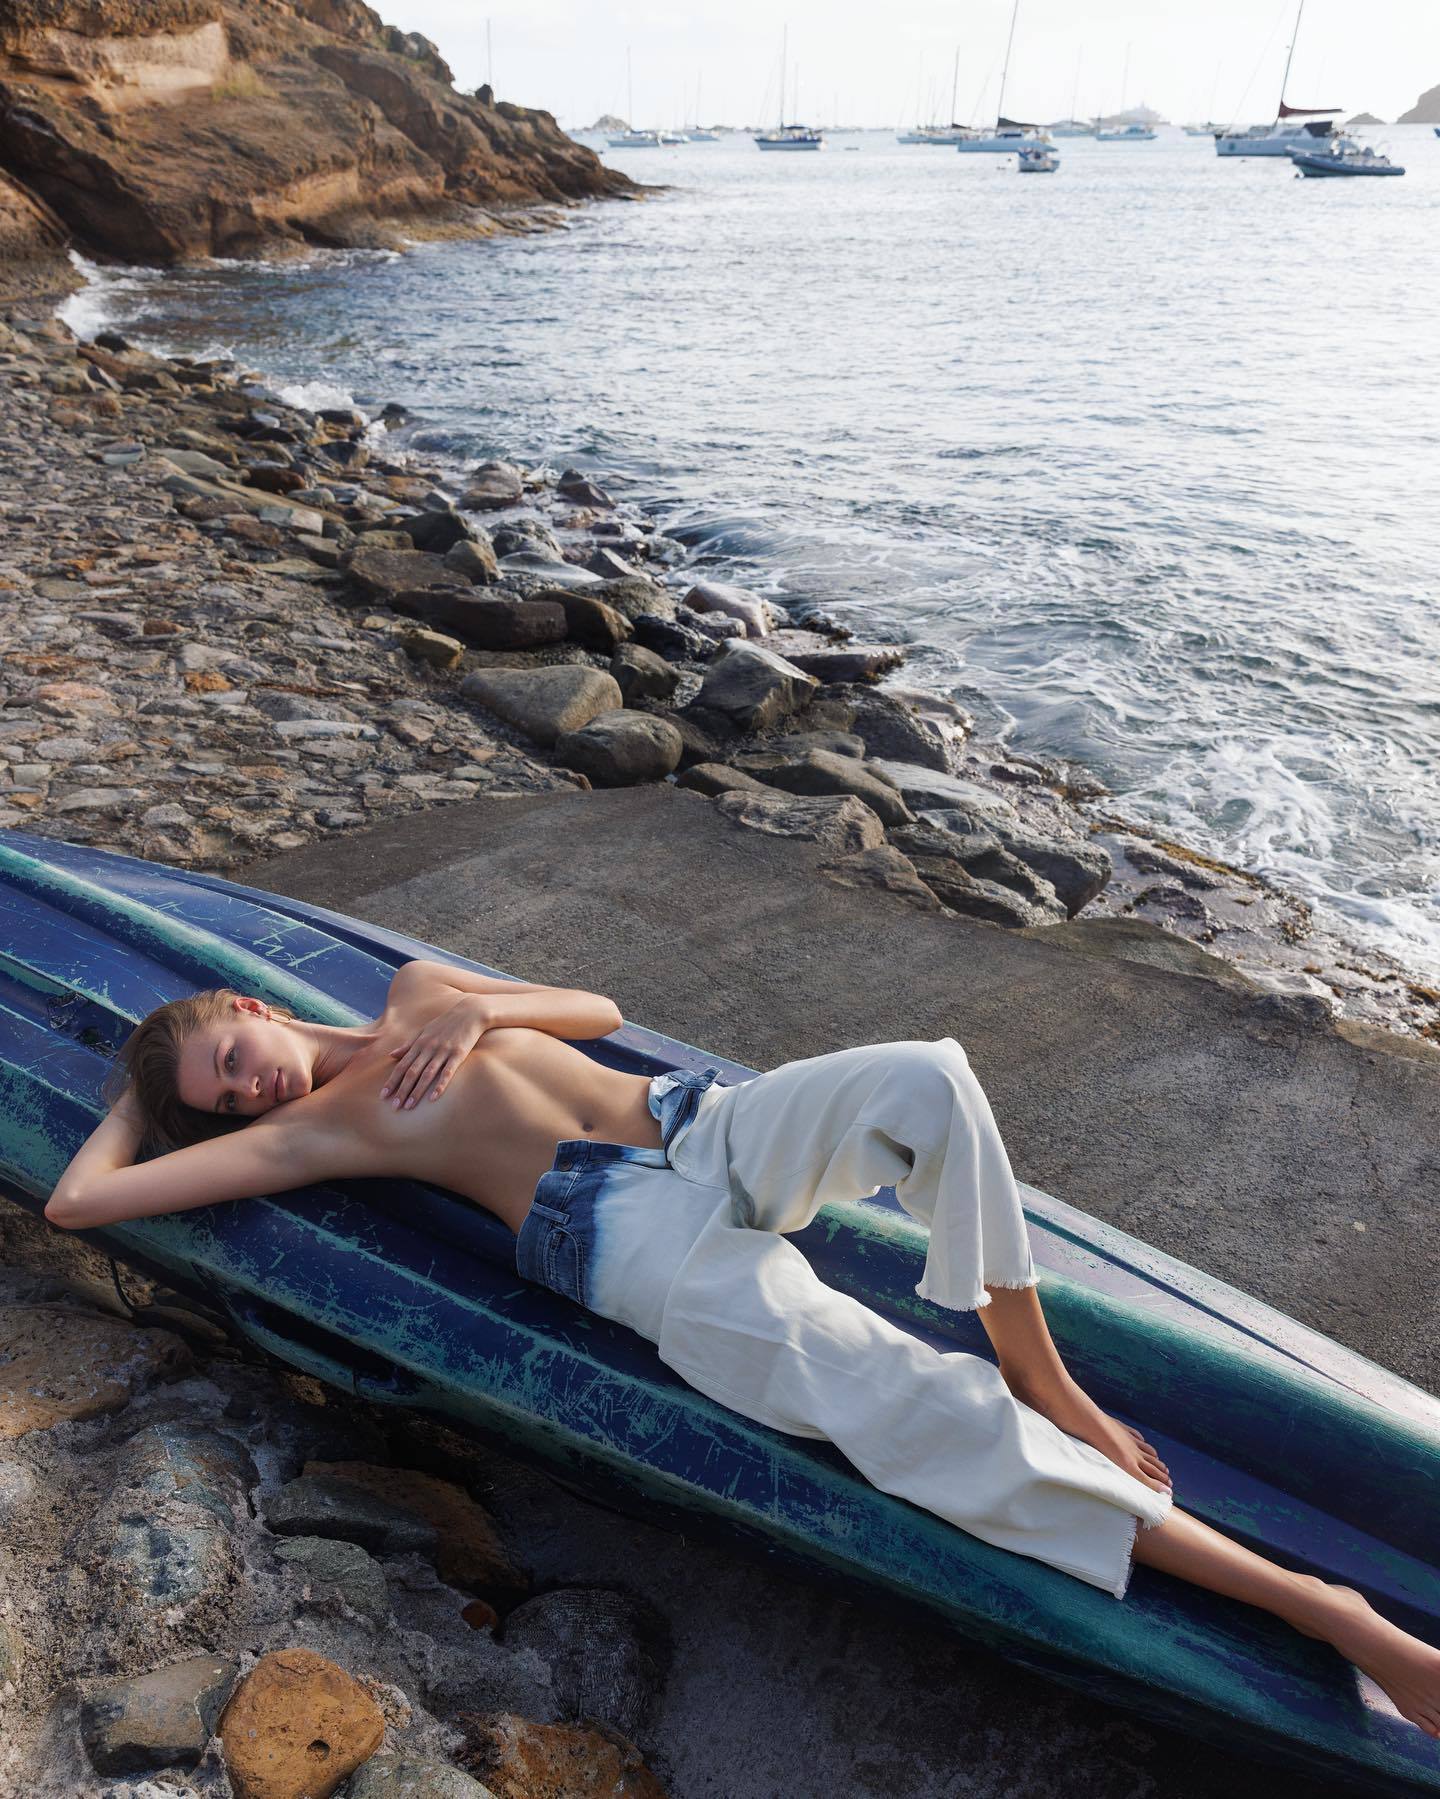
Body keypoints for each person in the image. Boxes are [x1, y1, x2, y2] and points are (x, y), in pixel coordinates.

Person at [46, 958, 1440, 1739]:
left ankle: (1043, 1370)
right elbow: (81, 1204)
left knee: (929, 1075)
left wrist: (479, 1008)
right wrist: (141, 1089)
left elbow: (596, 1014)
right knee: (910, 1409)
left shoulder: (419, 994)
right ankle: (1335, 1616)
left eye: (233, 1058)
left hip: (696, 1123)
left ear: (252, 1010)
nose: (251, 1090)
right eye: (226, 1102)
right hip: (626, 1242)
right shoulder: (311, 1133)